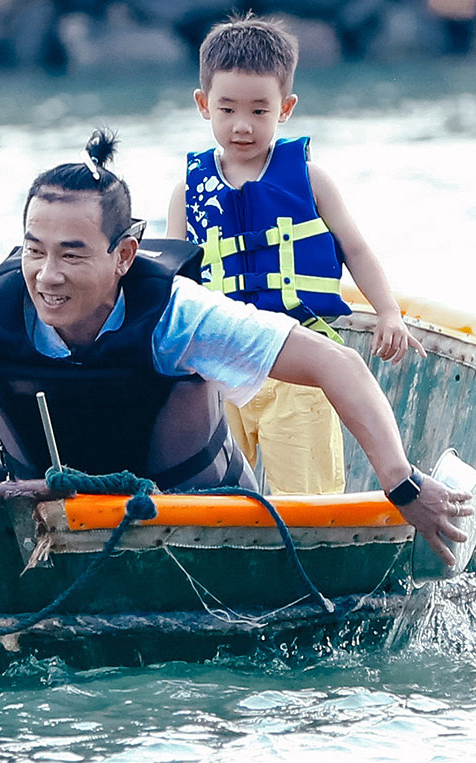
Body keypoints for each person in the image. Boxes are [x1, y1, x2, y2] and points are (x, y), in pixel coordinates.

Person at [0, 130, 472, 565]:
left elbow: (336, 363)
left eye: (73, 253)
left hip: (196, 527)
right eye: (33, 249)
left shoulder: (178, 316)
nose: (47, 274)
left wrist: (403, 485)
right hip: (41, 525)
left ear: (124, 254)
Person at [166, 13, 425, 496]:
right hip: (218, 368)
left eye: (259, 111)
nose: (242, 125)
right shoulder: (188, 193)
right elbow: (174, 284)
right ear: (203, 104)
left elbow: (356, 249)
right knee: (212, 494)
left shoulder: (310, 180)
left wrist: (389, 312)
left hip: (301, 366)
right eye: (227, 109)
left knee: (306, 495)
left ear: (285, 109)